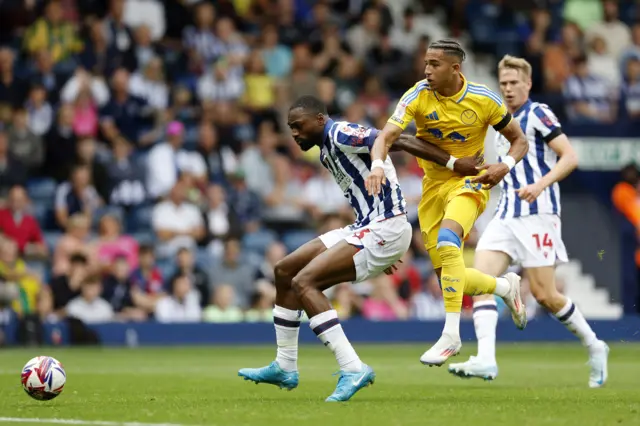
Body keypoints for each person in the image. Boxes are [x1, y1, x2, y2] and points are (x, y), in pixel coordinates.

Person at [238, 95, 481, 402]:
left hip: (385, 226)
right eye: (290, 128)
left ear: (319, 120)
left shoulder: (339, 133)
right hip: (366, 227)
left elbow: (395, 138)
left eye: (298, 126)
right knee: (285, 270)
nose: (294, 134)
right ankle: (285, 365)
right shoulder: (325, 149)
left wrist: (453, 163)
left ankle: (353, 368)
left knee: (305, 282)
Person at [448, 55, 609, 387]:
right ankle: (486, 360)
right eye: (503, 83)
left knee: (546, 295)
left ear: (528, 84)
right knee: (479, 279)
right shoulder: (500, 124)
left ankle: (595, 345)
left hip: (539, 214)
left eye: (513, 83)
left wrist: (540, 184)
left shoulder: (539, 113)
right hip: (506, 213)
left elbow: (570, 156)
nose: (507, 89)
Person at [367, 39, 530, 366]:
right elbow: (386, 136)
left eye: (435, 64)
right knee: (449, 276)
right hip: (433, 187)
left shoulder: (483, 99)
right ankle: (504, 286)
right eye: (426, 63)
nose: (427, 70)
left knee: (448, 241)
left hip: (471, 182)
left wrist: (504, 165)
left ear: (455, 68)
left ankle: (451, 335)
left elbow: (519, 140)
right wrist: (376, 166)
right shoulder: (416, 95)